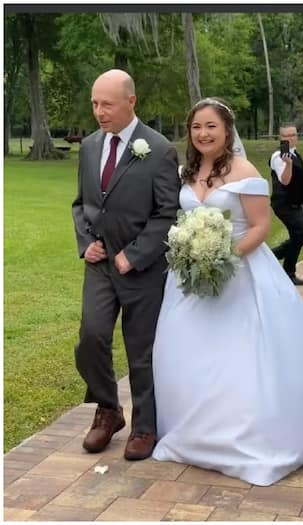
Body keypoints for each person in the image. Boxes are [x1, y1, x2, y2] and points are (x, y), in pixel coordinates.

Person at [150, 98, 303, 486]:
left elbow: (260, 228)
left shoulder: (244, 170)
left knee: (240, 356)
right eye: (196, 126)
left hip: (240, 271)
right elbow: (182, 218)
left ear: (227, 130)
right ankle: (195, 433)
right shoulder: (187, 171)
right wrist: (191, 254)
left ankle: (245, 438)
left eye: (211, 126)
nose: (203, 134)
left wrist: (222, 257)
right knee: (189, 353)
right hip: (190, 280)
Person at [71, 69, 181, 461]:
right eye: (95, 104)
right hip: (100, 266)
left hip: (142, 268)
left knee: (141, 350)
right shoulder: (87, 147)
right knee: (91, 338)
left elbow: (167, 213)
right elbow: (81, 205)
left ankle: (144, 427)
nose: (99, 112)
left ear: (131, 102)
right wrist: (87, 244)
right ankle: (108, 409)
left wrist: (133, 254)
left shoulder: (159, 149)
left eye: (107, 104)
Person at [269, 124, 303, 285]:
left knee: (300, 237)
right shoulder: (278, 157)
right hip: (283, 203)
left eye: (293, 134)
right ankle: (274, 260)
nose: (291, 138)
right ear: (281, 138)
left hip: (295, 203)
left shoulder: (296, 154)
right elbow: (285, 180)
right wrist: (288, 164)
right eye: (286, 136)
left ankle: (286, 270)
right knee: (301, 236)